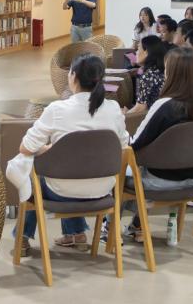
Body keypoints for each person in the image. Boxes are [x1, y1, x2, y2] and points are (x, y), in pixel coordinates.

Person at [16, 54, 129, 253]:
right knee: (76, 167)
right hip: (104, 189)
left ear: (73, 76)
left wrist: (49, 150)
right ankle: (75, 233)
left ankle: (22, 237)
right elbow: (122, 146)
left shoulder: (57, 109)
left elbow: (26, 147)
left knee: (34, 178)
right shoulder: (113, 109)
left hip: (61, 191)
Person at [122, 47, 193, 242]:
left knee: (119, 171)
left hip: (159, 181)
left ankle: (109, 231)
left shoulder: (164, 105)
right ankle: (138, 225)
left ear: (171, 73)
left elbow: (135, 144)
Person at [128, 36, 169, 117]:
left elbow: (140, 108)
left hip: (154, 117)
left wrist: (124, 115)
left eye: (138, 49)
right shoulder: (161, 69)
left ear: (146, 52)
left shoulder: (148, 75)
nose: (136, 53)